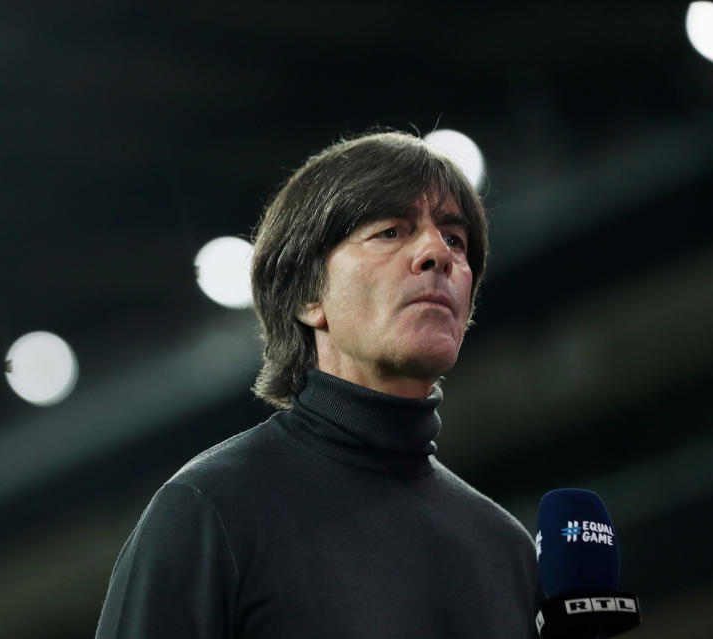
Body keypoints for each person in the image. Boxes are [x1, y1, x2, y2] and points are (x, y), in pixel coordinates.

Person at [95, 131, 539, 638]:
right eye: (391, 232)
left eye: (456, 240)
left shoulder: (506, 550)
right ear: (309, 296)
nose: (438, 253)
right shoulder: (213, 511)